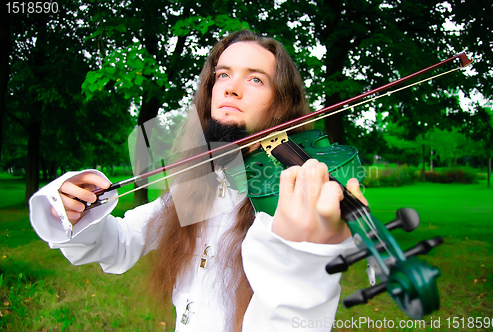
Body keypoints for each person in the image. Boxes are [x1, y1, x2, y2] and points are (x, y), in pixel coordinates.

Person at [30, 30, 368, 331]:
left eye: (256, 80)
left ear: (281, 104)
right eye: (223, 74)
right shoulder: (198, 182)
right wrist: (74, 209)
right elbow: (124, 240)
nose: (231, 89)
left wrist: (303, 257)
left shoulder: (287, 195)